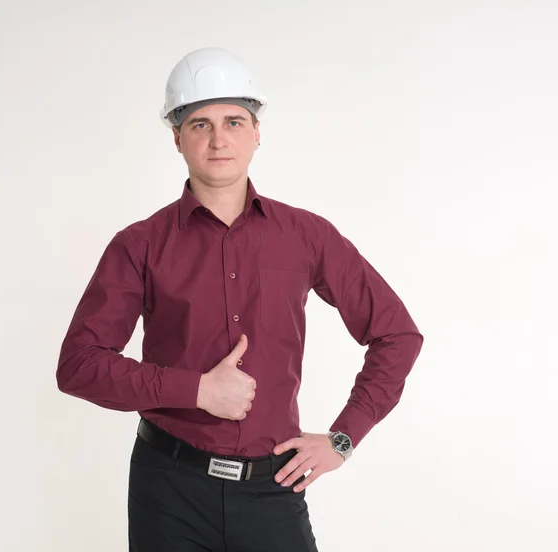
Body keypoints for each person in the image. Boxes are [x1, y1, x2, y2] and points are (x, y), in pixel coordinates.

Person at [56, 47, 424, 552]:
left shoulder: (306, 235)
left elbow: (397, 335)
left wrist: (343, 437)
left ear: (256, 133)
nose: (218, 138)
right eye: (200, 124)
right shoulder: (138, 245)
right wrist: (196, 390)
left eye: (233, 120)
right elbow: (78, 365)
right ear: (177, 139)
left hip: (272, 490)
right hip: (168, 488)